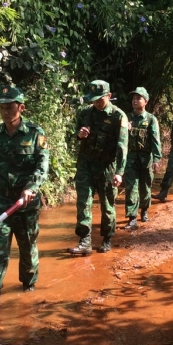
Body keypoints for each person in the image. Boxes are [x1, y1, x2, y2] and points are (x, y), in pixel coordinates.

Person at [0, 85, 50, 314]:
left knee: (27, 246)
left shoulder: (35, 133)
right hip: (1, 202)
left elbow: (42, 165)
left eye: (9, 107)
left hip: (26, 204)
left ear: (20, 108)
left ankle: (28, 287)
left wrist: (31, 187)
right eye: (2, 108)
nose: (5, 112)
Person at [68, 80, 128, 255]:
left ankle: (107, 238)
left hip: (107, 167)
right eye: (93, 99)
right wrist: (79, 134)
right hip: (86, 164)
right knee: (83, 202)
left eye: (99, 99)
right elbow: (75, 133)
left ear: (109, 96)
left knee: (107, 204)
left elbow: (122, 146)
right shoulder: (85, 113)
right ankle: (84, 241)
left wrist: (119, 172)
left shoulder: (118, 116)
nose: (95, 103)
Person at [123, 87, 162, 231]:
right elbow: (119, 138)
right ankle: (132, 218)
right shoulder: (126, 118)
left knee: (145, 188)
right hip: (131, 159)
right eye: (133, 98)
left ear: (145, 101)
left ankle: (144, 210)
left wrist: (157, 159)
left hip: (146, 159)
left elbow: (155, 140)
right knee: (131, 188)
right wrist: (124, 129)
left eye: (138, 98)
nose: (135, 101)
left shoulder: (151, 119)